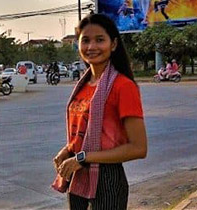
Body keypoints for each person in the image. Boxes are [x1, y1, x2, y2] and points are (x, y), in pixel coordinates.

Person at [52, 13, 147, 209]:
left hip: (107, 180)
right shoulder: (84, 85)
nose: (91, 47)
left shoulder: (123, 86)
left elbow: (139, 148)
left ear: (113, 44)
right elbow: (85, 133)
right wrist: (68, 149)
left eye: (100, 40)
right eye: (85, 40)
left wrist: (83, 157)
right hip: (78, 176)